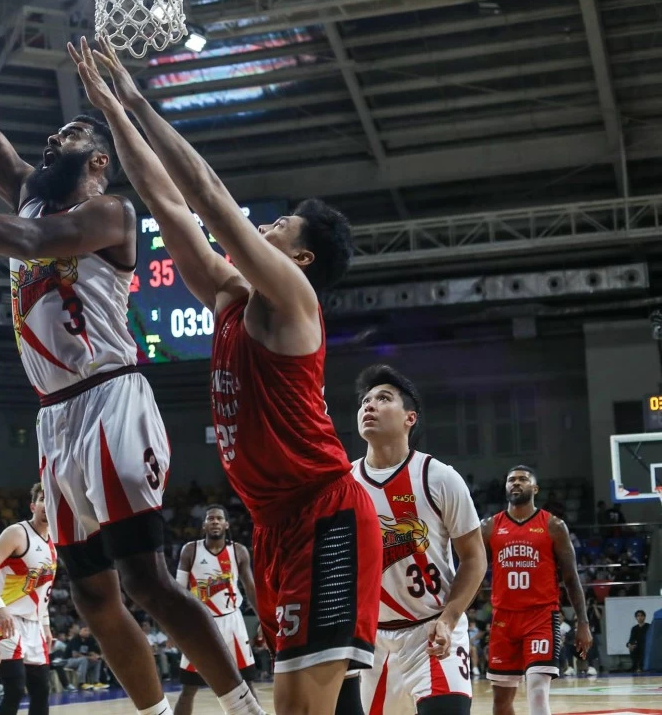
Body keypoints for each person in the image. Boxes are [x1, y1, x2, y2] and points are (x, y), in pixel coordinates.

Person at [0, 0, 265, 715]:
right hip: (55, 416)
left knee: (146, 579)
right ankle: (158, 712)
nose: (49, 145)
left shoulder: (110, 211)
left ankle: (241, 706)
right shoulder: (34, 192)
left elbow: (35, 241)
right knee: (92, 591)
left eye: (66, 140)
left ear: (99, 161)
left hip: (111, 397)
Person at [67, 36, 380, 715]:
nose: (260, 226)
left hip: (324, 515)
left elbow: (208, 198)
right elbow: (171, 208)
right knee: (314, 700)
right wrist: (114, 112)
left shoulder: (295, 303)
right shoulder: (232, 301)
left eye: (278, 225)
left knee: (300, 708)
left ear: (299, 256)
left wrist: (139, 98)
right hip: (272, 525)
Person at [350, 365, 487, 715]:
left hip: (431, 632)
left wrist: (450, 617)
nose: (370, 406)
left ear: (410, 417)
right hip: (372, 642)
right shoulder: (344, 484)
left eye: (383, 398)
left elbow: (474, 558)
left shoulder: (439, 477)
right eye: (365, 401)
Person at [482, 466, 592, 715]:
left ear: (535, 488)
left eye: (523, 479)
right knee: (501, 701)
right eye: (511, 479)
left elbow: (571, 578)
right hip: (503, 620)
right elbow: (474, 572)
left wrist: (582, 622)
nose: (516, 483)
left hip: (541, 617)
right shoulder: (489, 527)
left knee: (538, 689)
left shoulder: (554, 526)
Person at [0, 482, 57, 715]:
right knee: (15, 689)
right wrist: (0, 609)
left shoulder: (52, 544)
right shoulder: (17, 533)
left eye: (51, 500)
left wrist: (46, 626)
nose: (46, 504)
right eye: (42, 499)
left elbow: (42, 593)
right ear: (33, 505)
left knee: (42, 690)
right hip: (5, 619)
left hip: (34, 624)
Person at [175, 506, 260, 715]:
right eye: (210, 518)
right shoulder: (190, 550)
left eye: (219, 518)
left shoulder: (238, 551)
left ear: (226, 524)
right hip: (200, 624)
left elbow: (250, 588)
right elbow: (177, 591)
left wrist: (263, 622)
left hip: (233, 622)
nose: (214, 522)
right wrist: (175, 627)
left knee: (246, 683)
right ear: (204, 524)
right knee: (189, 687)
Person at [64, 624, 107, 690]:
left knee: (97, 661)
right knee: (83, 660)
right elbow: (75, 655)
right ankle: (81, 683)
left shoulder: (89, 639)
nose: (88, 632)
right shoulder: (75, 639)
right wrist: (89, 658)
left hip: (82, 661)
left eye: (89, 630)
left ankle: (96, 682)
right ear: (80, 631)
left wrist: (96, 656)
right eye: (85, 630)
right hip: (69, 661)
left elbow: (90, 651)